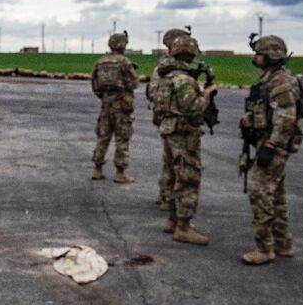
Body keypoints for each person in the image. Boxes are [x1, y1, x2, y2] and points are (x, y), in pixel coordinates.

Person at [239, 35, 303, 265]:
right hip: (268, 141)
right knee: (276, 195)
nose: (254, 56)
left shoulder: (280, 82)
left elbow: (286, 117)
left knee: (260, 193)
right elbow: (268, 112)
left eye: (259, 53)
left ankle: (264, 248)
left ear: (271, 56)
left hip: (273, 145)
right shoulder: (271, 79)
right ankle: (282, 243)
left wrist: (271, 145)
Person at [152, 35, 217, 245]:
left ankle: (173, 219)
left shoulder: (167, 77)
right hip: (184, 132)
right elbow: (192, 108)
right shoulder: (183, 80)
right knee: (188, 178)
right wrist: (206, 93)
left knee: (173, 176)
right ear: (190, 54)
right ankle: (184, 226)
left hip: (170, 130)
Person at [146, 27, 190, 211]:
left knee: (169, 158)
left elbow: (151, 92)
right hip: (174, 118)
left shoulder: (164, 66)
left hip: (165, 116)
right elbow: (154, 92)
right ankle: (167, 196)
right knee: (174, 161)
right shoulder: (171, 68)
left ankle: (164, 193)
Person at [91, 31, 139, 183]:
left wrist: (105, 97)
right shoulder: (124, 62)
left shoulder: (100, 62)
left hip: (105, 104)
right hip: (121, 105)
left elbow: (95, 85)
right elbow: (134, 83)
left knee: (103, 136)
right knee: (122, 137)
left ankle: (97, 169)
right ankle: (120, 172)